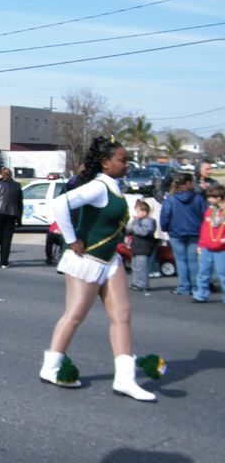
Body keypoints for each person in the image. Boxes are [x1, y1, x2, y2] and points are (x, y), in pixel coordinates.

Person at [42, 136, 156, 402]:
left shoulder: (115, 188)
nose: (127, 164)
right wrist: (72, 240)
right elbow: (61, 204)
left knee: (123, 315)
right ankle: (51, 368)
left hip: (110, 260)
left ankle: (125, 379)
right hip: (87, 262)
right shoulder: (98, 187)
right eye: (122, 160)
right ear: (106, 163)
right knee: (75, 316)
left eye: (127, 160)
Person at [160, 173, 207, 297]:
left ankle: (184, 286)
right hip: (195, 232)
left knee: (181, 260)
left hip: (176, 232)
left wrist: (165, 228)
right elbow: (205, 214)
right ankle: (195, 286)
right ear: (188, 183)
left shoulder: (171, 199)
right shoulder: (198, 197)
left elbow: (165, 215)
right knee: (193, 261)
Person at [0, 168, 23, 268]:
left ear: (0, 175)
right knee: (6, 239)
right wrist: (19, 218)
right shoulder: (17, 185)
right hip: (11, 214)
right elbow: (20, 203)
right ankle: (4, 262)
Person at [193, 184, 225, 304]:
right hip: (207, 247)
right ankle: (200, 295)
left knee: (223, 274)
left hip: (222, 249)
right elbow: (204, 228)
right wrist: (201, 244)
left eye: (212, 197)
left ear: (219, 197)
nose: (209, 199)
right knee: (203, 273)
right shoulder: (210, 210)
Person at [128, 199, 157, 292]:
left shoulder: (148, 222)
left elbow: (142, 232)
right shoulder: (141, 221)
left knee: (142, 268)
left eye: (138, 212)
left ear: (144, 212)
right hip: (137, 248)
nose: (136, 214)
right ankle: (137, 282)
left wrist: (135, 223)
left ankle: (143, 284)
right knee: (135, 267)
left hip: (143, 248)